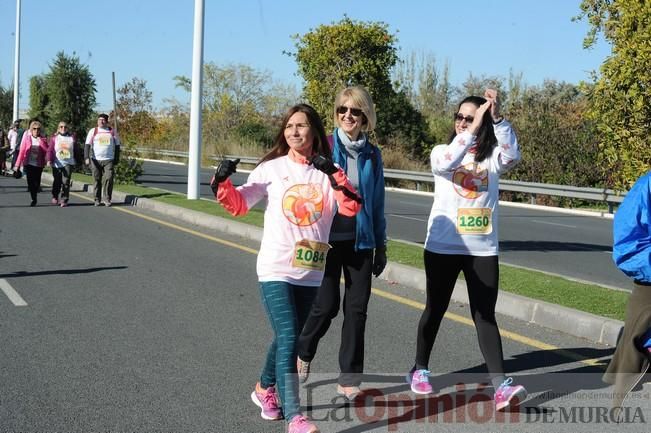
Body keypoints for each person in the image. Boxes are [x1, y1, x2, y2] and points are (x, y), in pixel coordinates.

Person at [210, 103, 362, 433]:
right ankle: (295, 416)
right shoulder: (271, 168)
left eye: (301, 126)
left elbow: (350, 207)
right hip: (275, 267)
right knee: (291, 337)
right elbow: (238, 204)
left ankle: (264, 389)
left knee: (285, 337)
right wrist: (221, 180)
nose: (294, 131)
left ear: (314, 132)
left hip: (310, 271)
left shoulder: (329, 172)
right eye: (289, 126)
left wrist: (333, 173)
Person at [407, 89, 527, 411]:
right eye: (459, 117)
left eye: (470, 117)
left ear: (483, 120)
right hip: (443, 246)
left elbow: (513, 154)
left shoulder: (493, 159)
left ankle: (500, 386)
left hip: (482, 250)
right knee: (436, 308)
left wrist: (497, 118)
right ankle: (419, 368)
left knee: (484, 315)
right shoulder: (441, 152)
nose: (462, 122)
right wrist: (472, 130)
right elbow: (448, 162)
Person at [296, 86, 387, 399]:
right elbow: (304, 193)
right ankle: (303, 351)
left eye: (355, 111)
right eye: (342, 110)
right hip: (324, 240)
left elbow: (376, 203)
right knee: (326, 306)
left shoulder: (373, 155)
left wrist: (381, 245)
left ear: (365, 117)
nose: (348, 116)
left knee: (357, 310)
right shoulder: (324, 147)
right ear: (335, 114)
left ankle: (349, 378)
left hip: (361, 242)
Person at [602, 171, 651, 416]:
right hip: (650, 278)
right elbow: (628, 241)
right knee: (637, 335)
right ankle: (620, 402)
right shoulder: (646, 187)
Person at [84, 113, 120, 206]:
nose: (101, 121)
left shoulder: (112, 131)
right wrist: (86, 157)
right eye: (99, 120)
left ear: (107, 121)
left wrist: (116, 158)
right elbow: (87, 145)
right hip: (95, 160)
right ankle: (97, 199)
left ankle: (107, 199)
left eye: (103, 120)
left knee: (109, 177)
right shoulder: (93, 131)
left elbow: (117, 145)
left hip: (109, 159)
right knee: (97, 179)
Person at [13, 120, 49, 206]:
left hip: (39, 164)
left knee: (37, 183)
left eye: (38, 129)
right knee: (30, 183)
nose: (36, 131)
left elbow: (47, 151)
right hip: (28, 163)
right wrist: (17, 165)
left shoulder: (43, 139)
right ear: (31, 130)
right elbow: (22, 152)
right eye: (34, 129)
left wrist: (41, 142)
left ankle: (35, 192)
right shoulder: (27, 138)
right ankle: (34, 199)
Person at [47, 122, 79, 207]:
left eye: (65, 127)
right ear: (58, 128)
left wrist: (78, 160)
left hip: (68, 162)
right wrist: (49, 160)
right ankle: (55, 195)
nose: (63, 128)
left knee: (66, 181)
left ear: (67, 128)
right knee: (57, 181)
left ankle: (64, 199)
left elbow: (76, 149)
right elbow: (50, 150)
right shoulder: (55, 138)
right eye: (61, 127)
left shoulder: (71, 138)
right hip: (57, 163)